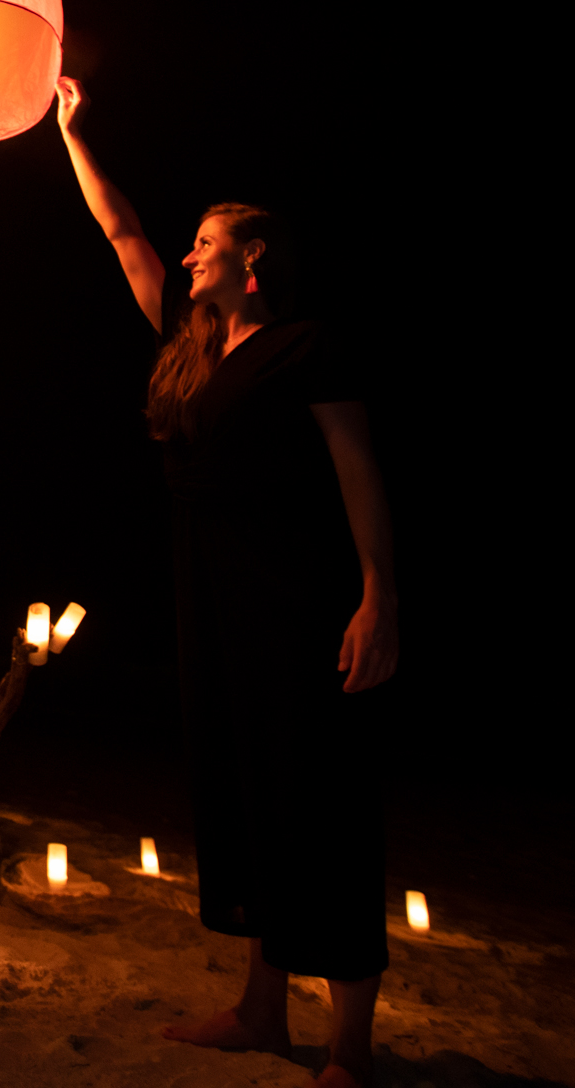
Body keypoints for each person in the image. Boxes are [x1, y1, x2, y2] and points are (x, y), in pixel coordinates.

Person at [56, 76, 399, 1088]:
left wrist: (378, 594)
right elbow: (122, 234)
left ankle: (349, 1046)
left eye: (207, 242)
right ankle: (261, 1010)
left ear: (254, 259)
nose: (188, 253)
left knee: (318, 800)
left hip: (298, 602)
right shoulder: (192, 346)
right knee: (245, 794)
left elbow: (358, 471)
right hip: (212, 602)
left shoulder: (304, 347)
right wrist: (72, 133)